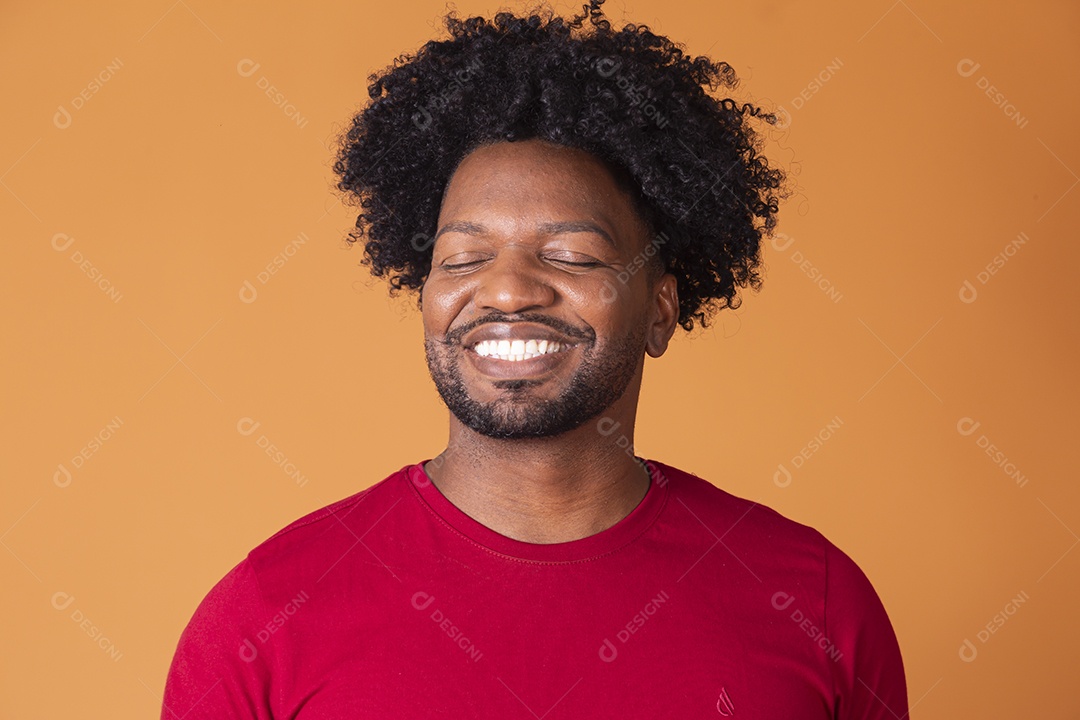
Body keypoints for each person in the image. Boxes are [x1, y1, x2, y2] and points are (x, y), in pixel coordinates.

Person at [161, 1, 908, 717]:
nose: (509, 290)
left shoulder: (813, 602)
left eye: (570, 255)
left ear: (660, 308)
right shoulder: (267, 615)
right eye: (463, 258)